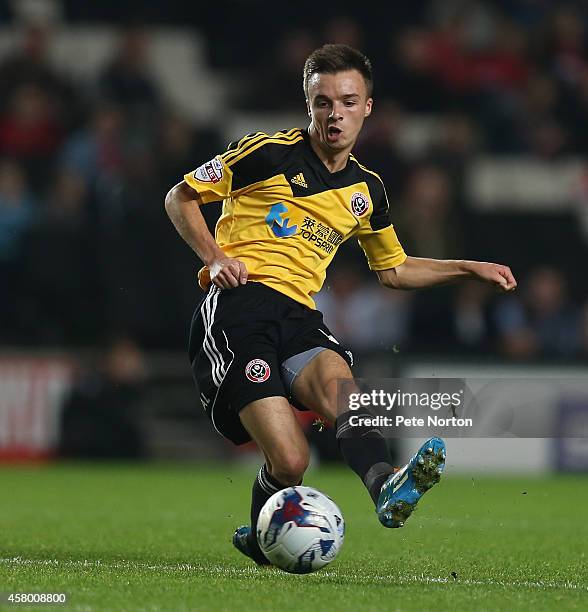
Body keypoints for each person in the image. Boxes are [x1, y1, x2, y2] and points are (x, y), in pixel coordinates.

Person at [165, 44, 517, 566]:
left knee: (344, 397)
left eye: (348, 102)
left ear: (367, 107)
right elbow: (180, 197)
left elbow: (392, 269)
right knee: (290, 461)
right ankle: (266, 534)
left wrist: (466, 267)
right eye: (323, 102)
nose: (335, 115)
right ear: (308, 104)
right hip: (240, 307)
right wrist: (215, 257)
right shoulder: (266, 153)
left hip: (300, 316)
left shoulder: (366, 190)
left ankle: (386, 488)